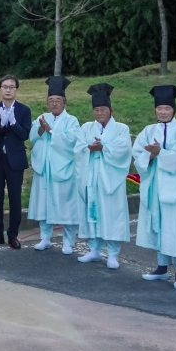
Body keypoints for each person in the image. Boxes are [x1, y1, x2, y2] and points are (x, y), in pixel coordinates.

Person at [133, 85, 176, 290]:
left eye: (167, 108)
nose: (163, 112)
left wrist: (162, 153)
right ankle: (161, 267)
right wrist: (150, 155)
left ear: (174, 110)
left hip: (175, 188)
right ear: (155, 110)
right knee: (159, 225)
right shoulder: (148, 131)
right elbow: (137, 154)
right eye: (159, 108)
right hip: (156, 187)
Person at [74, 83, 131, 269]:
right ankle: (94, 250)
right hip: (91, 177)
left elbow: (123, 150)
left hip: (110, 179)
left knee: (112, 214)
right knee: (93, 213)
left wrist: (103, 148)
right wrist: (89, 148)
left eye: (103, 109)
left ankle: (113, 254)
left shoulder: (121, 128)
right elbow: (78, 148)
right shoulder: (86, 128)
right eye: (96, 110)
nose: (99, 113)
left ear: (110, 110)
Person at [28, 76, 82, 255]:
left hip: (63, 169)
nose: (54, 104)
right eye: (51, 100)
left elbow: (72, 140)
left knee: (66, 206)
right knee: (44, 205)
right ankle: (45, 238)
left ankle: (68, 241)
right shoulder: (42, 117)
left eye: (57, 100)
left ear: (64, 102)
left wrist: (51, 131)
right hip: (45, 169)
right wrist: (41, 129)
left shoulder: (72, 120)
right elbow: (33, 137)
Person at [0, 75, 31, 249]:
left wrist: (13, 123)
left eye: (11, 87)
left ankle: (13, 234)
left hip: (15, 160)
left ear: (16, 90)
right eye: (5, 86)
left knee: (15, 199)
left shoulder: (24, 110)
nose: (8, 89)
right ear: (0, 89)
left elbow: (25, 135)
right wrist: (1, 125)